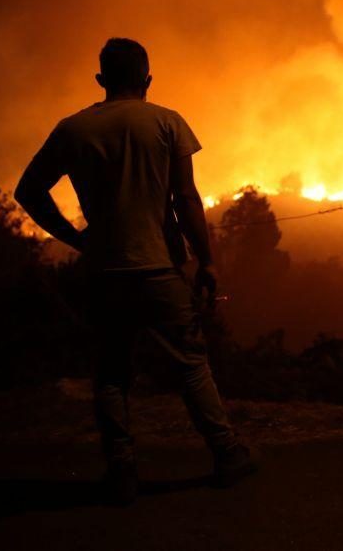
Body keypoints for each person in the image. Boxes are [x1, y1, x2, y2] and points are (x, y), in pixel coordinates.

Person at [15, 37, 257, 505]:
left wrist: (75, 238)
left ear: (101, 80)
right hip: (160, 268)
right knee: (190, 365)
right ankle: (227, 454)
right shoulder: (167, 122)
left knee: (110, 374)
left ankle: (122, 473)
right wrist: (206, 260)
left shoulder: (73, 129)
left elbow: (28, 191)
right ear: (147, 79)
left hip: (105, 272)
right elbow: (185, 198)